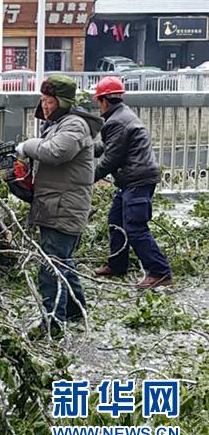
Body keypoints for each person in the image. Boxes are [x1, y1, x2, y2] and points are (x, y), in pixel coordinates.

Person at [16, 75, 104, 334]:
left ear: (63, 102)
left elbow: (54, 152)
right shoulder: (60, 124)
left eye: (50, 101)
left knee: (51, 265)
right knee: (62, 260)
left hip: (64, 205)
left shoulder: (74, 125)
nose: (44, 106)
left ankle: (53, 322)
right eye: (42, 100)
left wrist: (25, 146)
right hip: (56, 203)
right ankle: (77, 309)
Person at [92, 76, 172, 289]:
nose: (98, 106)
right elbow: (106, 146)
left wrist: (86, 179)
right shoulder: (122, 116)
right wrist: (83, 148)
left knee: (135, 227)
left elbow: (111, 159)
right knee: (115, 221)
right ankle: (118, 264)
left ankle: (160, 272)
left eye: (97, 102)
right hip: (132, 179)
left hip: (137, 179)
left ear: (104, 100)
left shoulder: (117, 120)